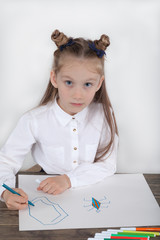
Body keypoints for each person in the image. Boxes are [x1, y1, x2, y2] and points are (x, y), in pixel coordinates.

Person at [0, 29, 118, 210]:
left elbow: (107, 164)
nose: (78, 95)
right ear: (54, 78)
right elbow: (6, 162)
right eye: (69, 82)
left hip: (90, 193)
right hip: (44, 191)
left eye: (88, 84)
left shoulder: (104, 114)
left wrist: (68, 180)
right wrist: (5, 192)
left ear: (99, 83)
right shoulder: (33, 120)